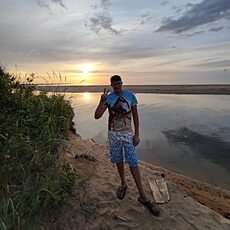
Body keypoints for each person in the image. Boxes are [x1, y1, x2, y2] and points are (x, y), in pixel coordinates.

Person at [94, 75, 160, 216]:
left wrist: (137, 135)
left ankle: (143, 196)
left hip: (127, 134)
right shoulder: (109, 98)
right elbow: (97, 116)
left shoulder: (130, 96)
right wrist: (101, 102)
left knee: (133, 163)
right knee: (118, 160)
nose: (117, 86)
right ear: (111, 85)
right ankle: (123, 184)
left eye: (119, 83)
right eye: (114, 84)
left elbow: (136, 116)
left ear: (122, 83)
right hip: (113, 135)